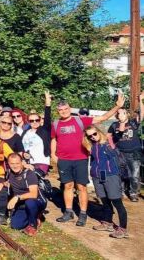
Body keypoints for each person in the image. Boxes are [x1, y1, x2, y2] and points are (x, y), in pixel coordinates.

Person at [51, 91, 124, 226]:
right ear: (58, 111)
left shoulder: (79, 120)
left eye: (66, 109)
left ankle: (82, 214)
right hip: (64, 160)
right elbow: (54, 139)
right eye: (60, 110)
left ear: (70, 108)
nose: (63, 111)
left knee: (81, 187)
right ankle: (68, 212)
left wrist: (117, 106)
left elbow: (102, 118)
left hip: (80, 159)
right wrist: (53, 155)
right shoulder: (55, 124)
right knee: (67, 186)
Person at [84, 125, 129, 238]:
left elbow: (119, 135)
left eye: (94, 134)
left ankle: (122, 229)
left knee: (116, 202)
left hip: (110, 175)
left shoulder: (110, 141)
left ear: (99, 131)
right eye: (90, 136)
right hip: (97, 176)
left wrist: (122, 123)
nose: (93, 137)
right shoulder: (92, 146)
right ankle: (108, 223)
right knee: (104, 201)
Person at [1, 153, 46, 236]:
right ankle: (34, 217)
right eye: (12, 164)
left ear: (22, 162)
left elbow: (34, 194)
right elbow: (9, 182)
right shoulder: (9, 172)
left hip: (37, 201)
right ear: (8, 164)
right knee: (16, 226)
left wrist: (17, 197)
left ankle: (33, 225)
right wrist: (2, 184)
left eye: (17, 163)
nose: (15, 166)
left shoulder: (29, 174)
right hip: (21, 203)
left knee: (30, 202)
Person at [108, 101, 141, 202]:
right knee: (121, 174)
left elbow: (142, 115)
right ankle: (121, 192)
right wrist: (112, 146)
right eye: (118, 113)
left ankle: (133, 193)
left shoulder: (133, 123)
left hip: (134, 153)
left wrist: (141, 101)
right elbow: (109, 135)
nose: (120, 114)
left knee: (134, 175)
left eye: (122, 112)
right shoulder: (114, 125)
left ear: (127, 114)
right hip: (120, 153)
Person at [22, 92, 52, 174]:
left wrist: (48, 103)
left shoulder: (44, 130)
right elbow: (22, 147)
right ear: (29, 122)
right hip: (27, 163)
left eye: (37, 120)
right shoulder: (25, 133)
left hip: (41, 161)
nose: (34, 122)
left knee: (35, 179)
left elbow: (47, 117)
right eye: (32, 120)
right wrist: (24, 154)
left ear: (40, 120)